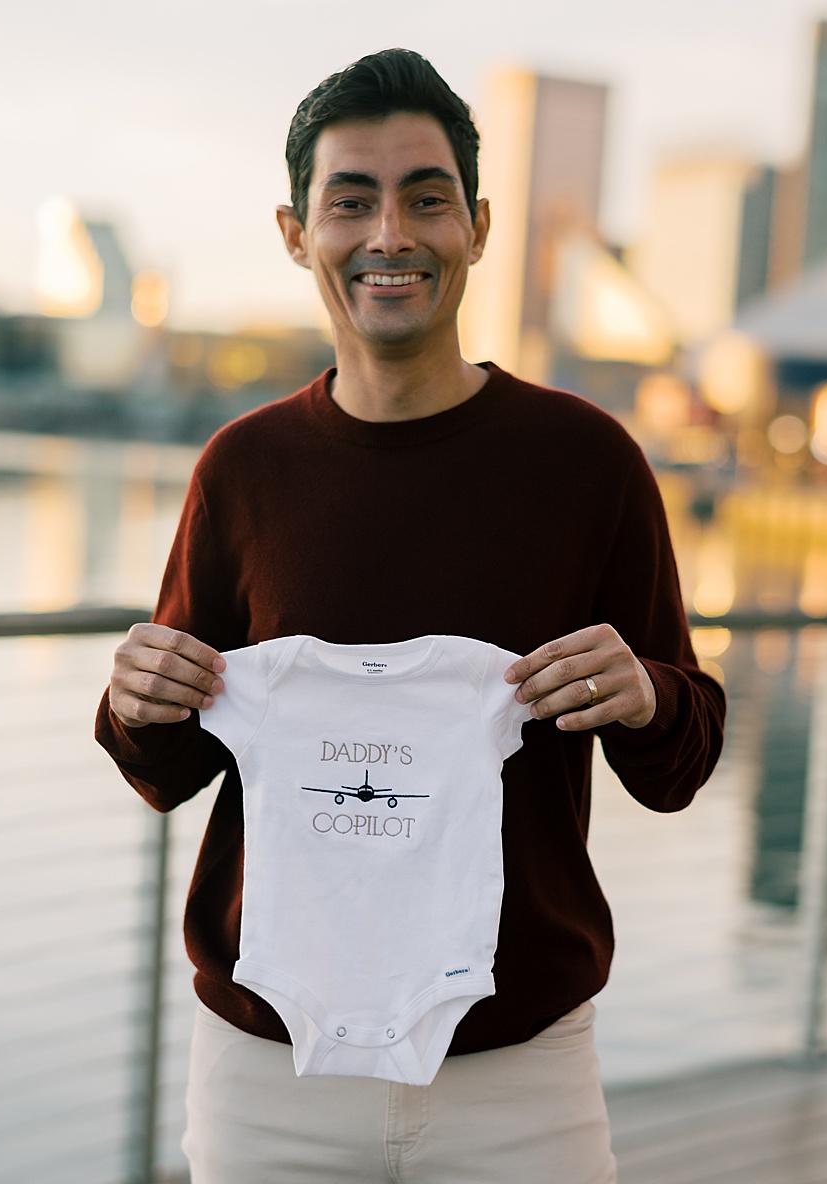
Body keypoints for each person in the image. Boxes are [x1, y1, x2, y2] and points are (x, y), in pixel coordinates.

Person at [94, 50, 726, 1182]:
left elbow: (678, 761)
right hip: (267, 1070)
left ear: (476, 225)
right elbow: (166, 766)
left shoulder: (588, 461)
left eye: (425, 198)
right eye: (352, 201)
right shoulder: (242, 469)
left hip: (519, 1065)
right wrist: (134, 704)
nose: (390, 233)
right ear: (296, 232)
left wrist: (647, 695)